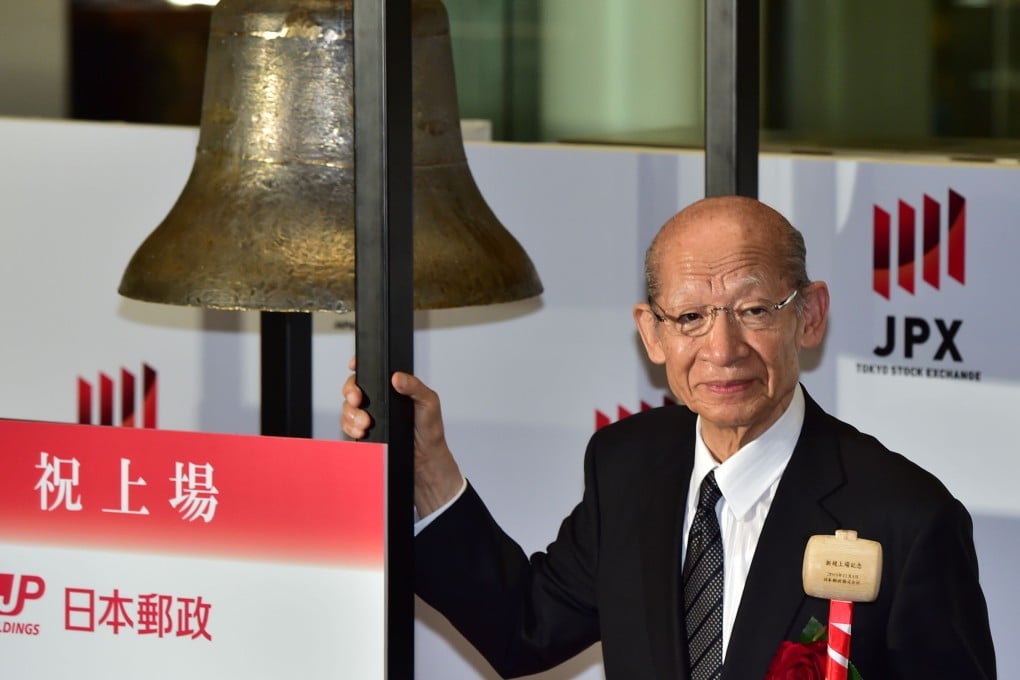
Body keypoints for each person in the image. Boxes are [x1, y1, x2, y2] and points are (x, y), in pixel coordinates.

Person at [341, 196, 996, 679]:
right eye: (689, 317)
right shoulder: (627, 464)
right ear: (651, 334)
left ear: (810, 315)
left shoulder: (908, 519)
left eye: (753, 310)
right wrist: (430, 473)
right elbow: (525, 630)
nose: (722, 347)